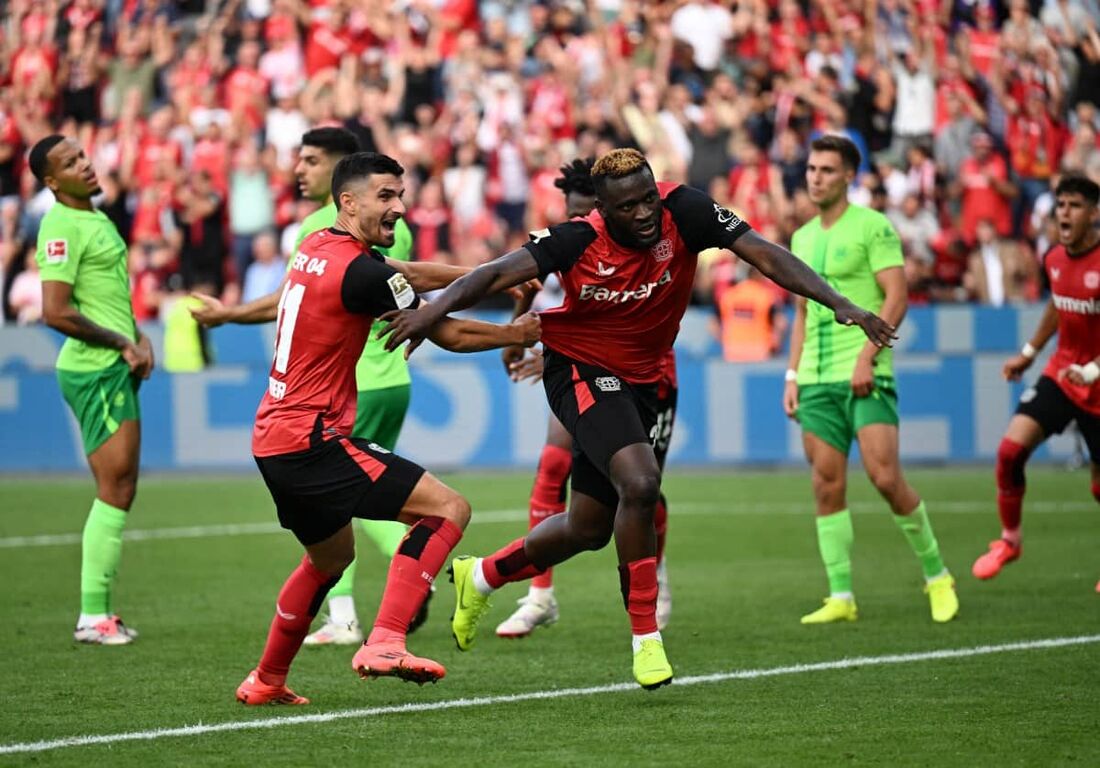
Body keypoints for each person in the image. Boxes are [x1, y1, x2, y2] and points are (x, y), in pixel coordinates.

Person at [380, 148, 895, 690]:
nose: (646, 213)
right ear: (603, 210)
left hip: (642, 381)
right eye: (629, 207)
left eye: (649, 198)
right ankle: (647, 639)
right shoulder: (577, 237)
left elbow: (764, 253)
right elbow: (493, 273)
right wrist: (431, 311)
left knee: (589, 527)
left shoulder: (686, 210)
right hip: (578, 366)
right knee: (642, 482)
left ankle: (481, 575)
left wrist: (840, 301)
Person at [235, 151, 540, 705]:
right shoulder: (363, 272)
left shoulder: (316, 246)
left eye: (401, 195)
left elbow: (408, 275)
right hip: (312, 440)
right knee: (448, 509)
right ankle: (385, 641)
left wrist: (499, 275)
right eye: (386, 197)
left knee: (329, 559)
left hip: (274, 436)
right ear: (348, 201)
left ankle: (266, 680)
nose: (399, 207)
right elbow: (445, 333)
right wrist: (520, 335)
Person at [191, 128, 430, 645]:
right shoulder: (388, 230)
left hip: (343, 390)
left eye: (312, 161)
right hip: (394, 376)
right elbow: (407, 279)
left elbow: (290, 298)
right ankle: (405, 578)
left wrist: (230, 314)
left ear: (343, 174)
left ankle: (350, 615)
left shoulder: (321, 231)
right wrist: (492, 275)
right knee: (373, 496)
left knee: (358, 502)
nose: (300, 170)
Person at [782, 135, 959, 626]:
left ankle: (937, 575)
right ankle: (841, 596)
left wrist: (867, 355)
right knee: (825, 485)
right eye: (812, 168)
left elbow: (896, 298)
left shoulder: (873, 227)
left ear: (849, 177)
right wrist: (792, 374)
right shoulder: (800, 238)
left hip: (864, 372)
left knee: (884, 477)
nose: (815, 177)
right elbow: (800, 315)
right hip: (816, 379)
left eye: (826, 170)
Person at [496, 158, 676, 638]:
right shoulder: (563, 247)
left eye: (586, 215)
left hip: (650, 376)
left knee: (642, 488)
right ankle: (539, 595)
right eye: (574, 216)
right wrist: (526, 317)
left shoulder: (643, 237)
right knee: (556, 465)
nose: (582, 225)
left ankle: (653, 570)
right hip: (586, 373)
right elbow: (514, 351)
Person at [31, 135, 155, 645]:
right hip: (94, 368)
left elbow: (108, 297)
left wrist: (138, 336)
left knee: (122, 486)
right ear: (51, 182)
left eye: (82, 155)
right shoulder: (59, 225)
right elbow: (54, 310)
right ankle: (92, 616)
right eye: (69, 163)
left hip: (113, 362)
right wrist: (120, 343)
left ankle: (100, 611)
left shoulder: (96, 218)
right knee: (116, 487)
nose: (84, 165)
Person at [971, 174, 1100, 587]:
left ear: (1094, 214)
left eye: (1075, 205)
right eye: (1060, 204)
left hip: (1098, 385)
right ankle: (1010, 541)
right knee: (1009, 452)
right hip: (1062, 375)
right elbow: (1058, 306)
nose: (1064, 212)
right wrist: (1027, 355)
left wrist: (1094, 370)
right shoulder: (1053, 258)